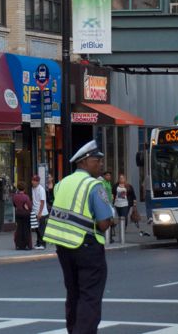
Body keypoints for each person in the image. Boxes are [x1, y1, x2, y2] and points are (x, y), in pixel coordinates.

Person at [44, 141, 115, 334]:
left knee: (73, 294)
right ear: (84, 162)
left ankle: (73, 330)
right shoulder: (94, 185)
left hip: (63, 248)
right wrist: (112, 218)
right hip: (88, 247)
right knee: (90, 297)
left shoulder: (61, 184)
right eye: (96, 160)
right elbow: (103, 223)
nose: (100, 164)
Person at [112, 174, 136, 244]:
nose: (121, 179)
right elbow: (112, 194)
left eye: (123, 178)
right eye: (120, 178)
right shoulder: (115, 186)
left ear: (125, 179)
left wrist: (134, 205)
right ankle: (122, 227)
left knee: (124, 216)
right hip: (117, 204)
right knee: (120, 216)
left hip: (126, 204)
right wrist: (112, 201)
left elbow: (133, 195)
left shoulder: (128, 186)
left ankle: (123, 229)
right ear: (118, 179)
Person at [12, 183, 33, 250]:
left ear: (18, 188)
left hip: (18, 213)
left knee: (19, 229)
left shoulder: (15, 196)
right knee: (26, 229)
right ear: (24, 189)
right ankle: (26, 245)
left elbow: (14, 205)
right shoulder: (26, 197)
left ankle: (18, 245)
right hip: (26, 214)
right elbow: (29, 206)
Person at [31, 174, 49, 250]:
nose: (33, 182)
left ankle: (43, 244)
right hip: (35, 211)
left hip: (42, 213)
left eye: (35, 181)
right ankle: (38, 243)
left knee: (41, 229)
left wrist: (40, 213)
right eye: (33, 180)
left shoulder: (41, 189)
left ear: (38, 182)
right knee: (37, 229)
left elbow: (42, 202)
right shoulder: (32, 188)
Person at [101, 170, 115, 243]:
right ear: (104, 176)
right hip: (106, 204)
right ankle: (108, 237)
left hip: (110, 204)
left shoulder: (109, 183)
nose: (109, 177)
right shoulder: (103, 183)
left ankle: (110, 237)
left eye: (110, 175)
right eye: (107, 175)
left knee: (111, 221)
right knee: (108, 220)